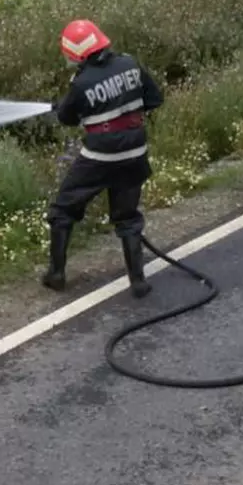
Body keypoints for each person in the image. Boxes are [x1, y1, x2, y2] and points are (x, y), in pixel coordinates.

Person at [42, 19, 164, 299]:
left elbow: (66, 118)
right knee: (128, 217)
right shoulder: (130, 64)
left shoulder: (81, 82)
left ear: (76, 53)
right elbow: (155, 99)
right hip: (135, 151)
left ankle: (57, 274)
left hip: (100, 156)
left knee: (63, 210)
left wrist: (64, 106)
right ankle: (138, 281)